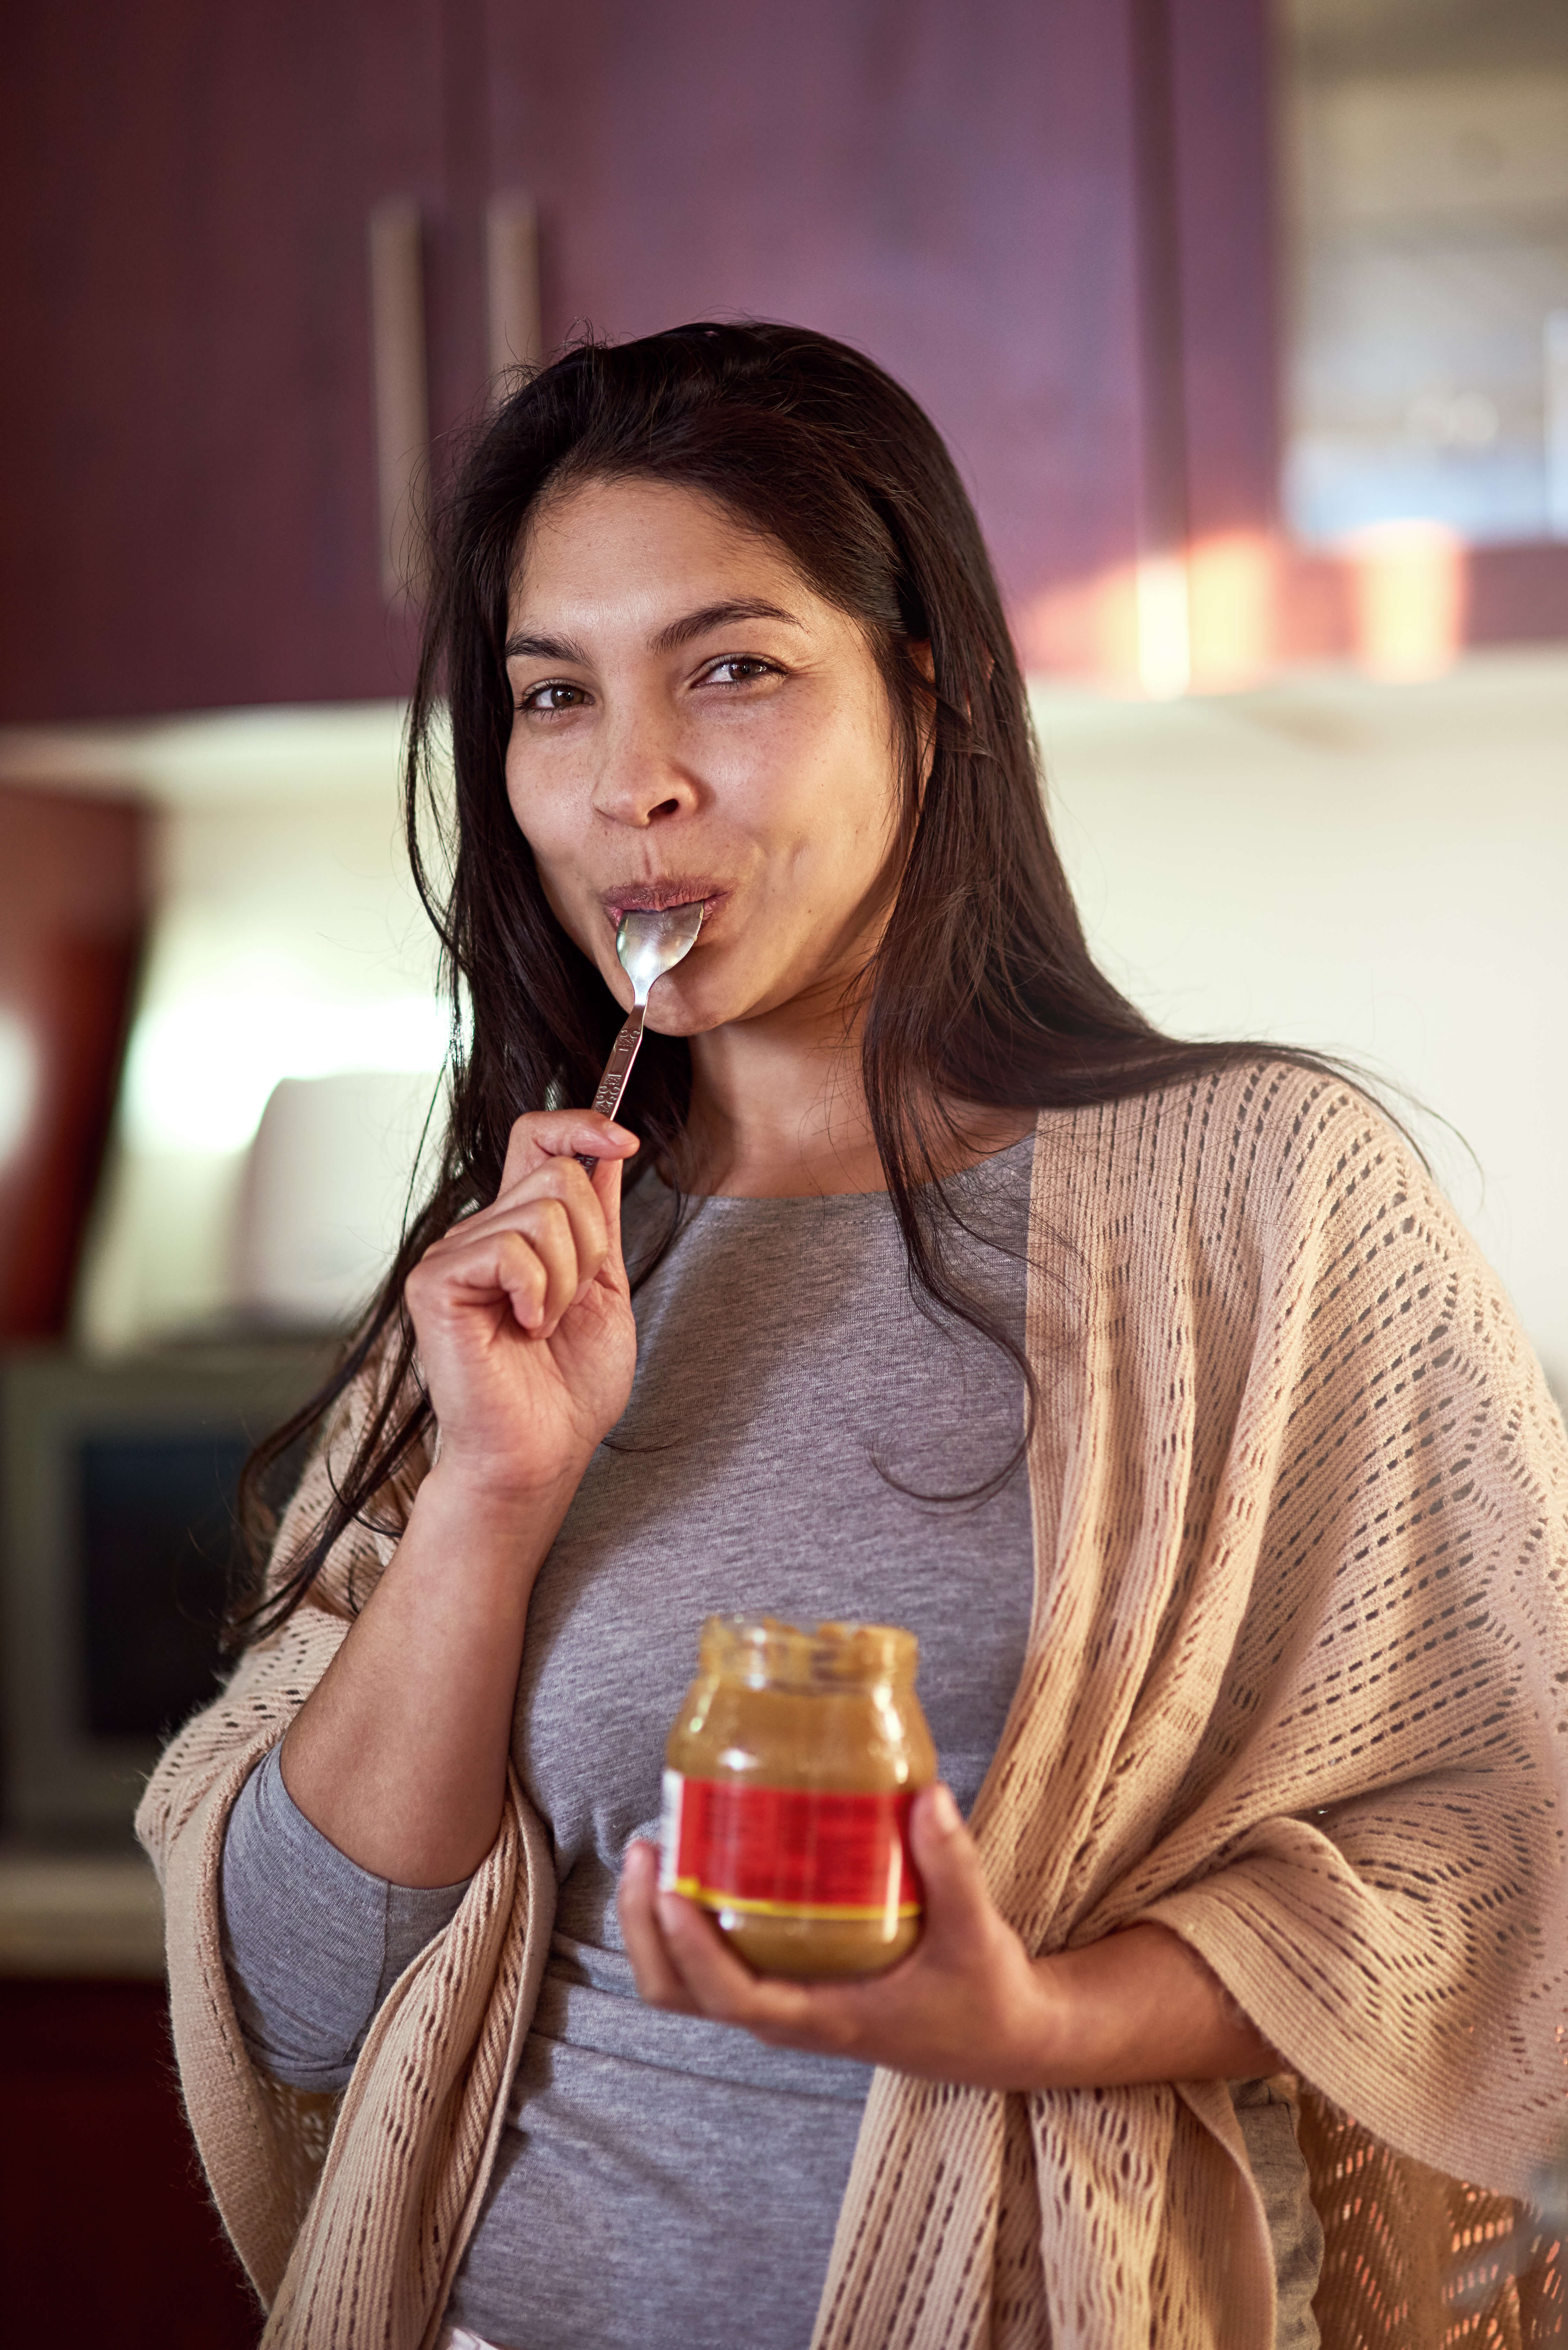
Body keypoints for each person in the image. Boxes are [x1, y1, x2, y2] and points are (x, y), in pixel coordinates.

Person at [138, 323, 1567, 2350]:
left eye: (731, 668)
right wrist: (490, 1495)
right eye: (556, 694)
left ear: (930, 687)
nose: (629, 780)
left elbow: (1507, 1853)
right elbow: (298, 1994)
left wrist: (1047, 2019)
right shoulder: (527, 1272)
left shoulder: (1271, 1193)